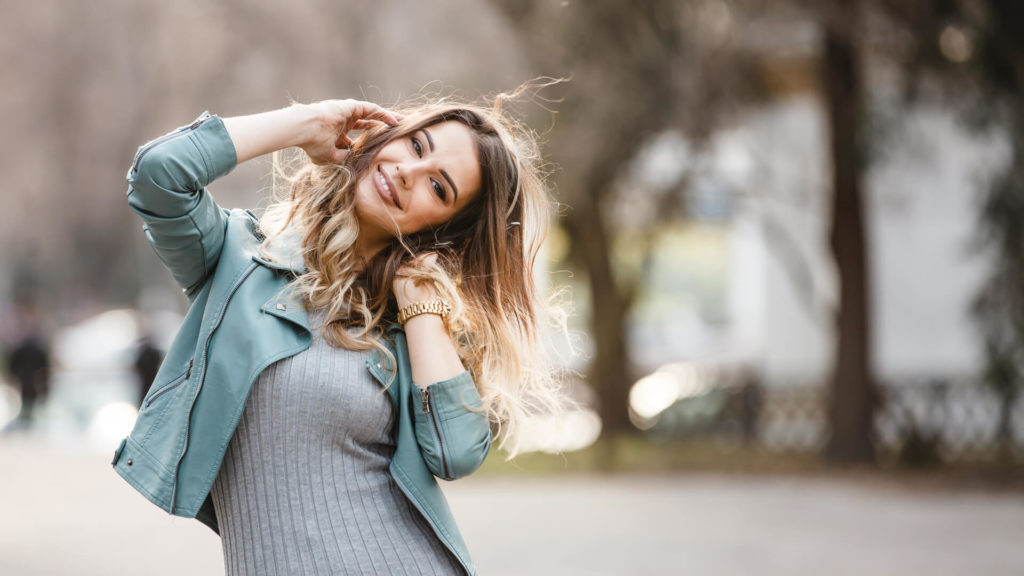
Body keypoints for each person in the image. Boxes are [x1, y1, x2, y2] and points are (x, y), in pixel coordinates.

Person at [112, 95, 572, 576]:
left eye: (438, 187)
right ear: (387, 136)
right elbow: (158, 174)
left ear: (443, 230)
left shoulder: (414, 327)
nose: (409, 173)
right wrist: (305, 124)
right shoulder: (237, 262)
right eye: (416, 145)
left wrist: (420, 306)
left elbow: (455, 452)